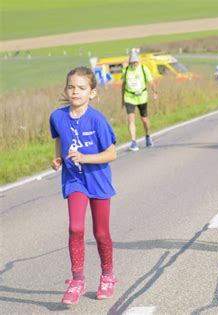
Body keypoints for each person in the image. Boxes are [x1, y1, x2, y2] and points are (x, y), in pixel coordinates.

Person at [49, 67, 118, 305]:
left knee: (101, 233)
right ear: (65, 89)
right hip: (74, 180)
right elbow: (59, 137)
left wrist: (86, 158)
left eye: (81, 88)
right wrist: (58, 158)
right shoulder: (57, 117)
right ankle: (77, 279)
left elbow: (112, 154)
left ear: (92, 92)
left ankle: (108, 275)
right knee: (76, 228)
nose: (75, 91)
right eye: (71, 87)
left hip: (98, 180)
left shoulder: (97, 120)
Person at [121, 50, 158, 151]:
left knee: (144, 120)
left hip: (142, 97)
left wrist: (155, 92)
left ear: (139, 61)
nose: (134, 64)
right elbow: (123, 85)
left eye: (136, 62)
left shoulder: (143, 68)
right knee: (130, 119)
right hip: (129, 97)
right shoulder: (126, 70)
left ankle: (148, 136)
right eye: (132, 62)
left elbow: (151, 81)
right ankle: (133, 142)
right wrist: (122, 100)